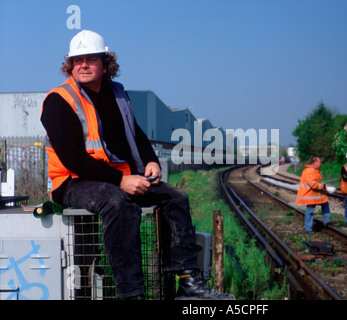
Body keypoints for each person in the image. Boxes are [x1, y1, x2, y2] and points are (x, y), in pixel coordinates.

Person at [40, 30, 234, 300]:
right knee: (119, 203)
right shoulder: (58, 100)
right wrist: (120, 181)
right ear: (69, 65)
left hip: (115, 177)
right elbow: (73, 158)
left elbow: (136, 133)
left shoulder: (117, 94)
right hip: (72, 181)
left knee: (174, 197)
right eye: (77, 60)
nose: (83, 65)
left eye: (90, 59)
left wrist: (150, 160)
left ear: (105, 64)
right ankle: (131, 294)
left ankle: (187, 283)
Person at [296, 157, 332, 233]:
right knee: (310, 211)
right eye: (319, 162)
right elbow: (313, 184)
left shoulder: (314, 171)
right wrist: (324, 186)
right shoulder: (310, 171)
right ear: (314, 162)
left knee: (325, 205)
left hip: (316, 195)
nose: (320, 164)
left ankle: (327, 221)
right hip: (311, 196)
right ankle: (308, 229)